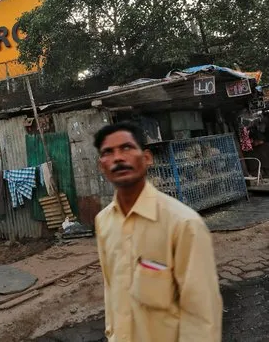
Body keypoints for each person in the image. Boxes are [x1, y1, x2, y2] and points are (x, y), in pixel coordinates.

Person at [93, 122, 222, 342]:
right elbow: (111, 287)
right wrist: (112, 332)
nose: (118, 158)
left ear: (147, 158)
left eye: (126, 148)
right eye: (108, 152)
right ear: (101, 166)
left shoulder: (184, 224)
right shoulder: (104, 221)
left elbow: (202, 315)